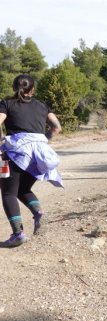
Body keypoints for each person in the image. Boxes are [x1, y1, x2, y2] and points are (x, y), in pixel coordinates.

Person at [0, 74, 63, 247]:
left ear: (14, 87)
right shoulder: (42, 105)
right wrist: (43, 140)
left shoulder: (6, 103)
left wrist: (1, 142)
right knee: (23, 188)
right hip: (39, 154)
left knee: (8, 193)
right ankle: (38, 212)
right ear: (33, 89)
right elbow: (57, 127)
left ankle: (18, 234)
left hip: (14, 153)